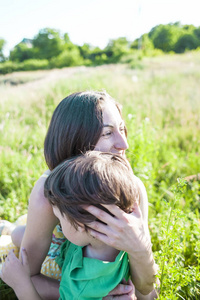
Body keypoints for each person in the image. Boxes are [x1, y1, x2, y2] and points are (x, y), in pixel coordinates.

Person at [1, 91, 158, 299]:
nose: (124, 144)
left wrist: (141, 249)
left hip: (74, 256)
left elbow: (147, 292)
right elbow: (28, 274)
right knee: (14, 240)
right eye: (108, 133)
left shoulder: (132, 189)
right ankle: (8, 228)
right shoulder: (48, 193)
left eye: (122, 129)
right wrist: (90, 293)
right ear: (76, 141)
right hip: (57, 249)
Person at [1, 151, 142, 299]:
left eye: (60, 220)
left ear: (80, 224)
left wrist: (20, 283)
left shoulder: (81, 287)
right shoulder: (112, 239)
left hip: (69, 269)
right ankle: (9, 230)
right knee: (17, 234)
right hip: (68, 256)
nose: (59, 225)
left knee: (10, 263)